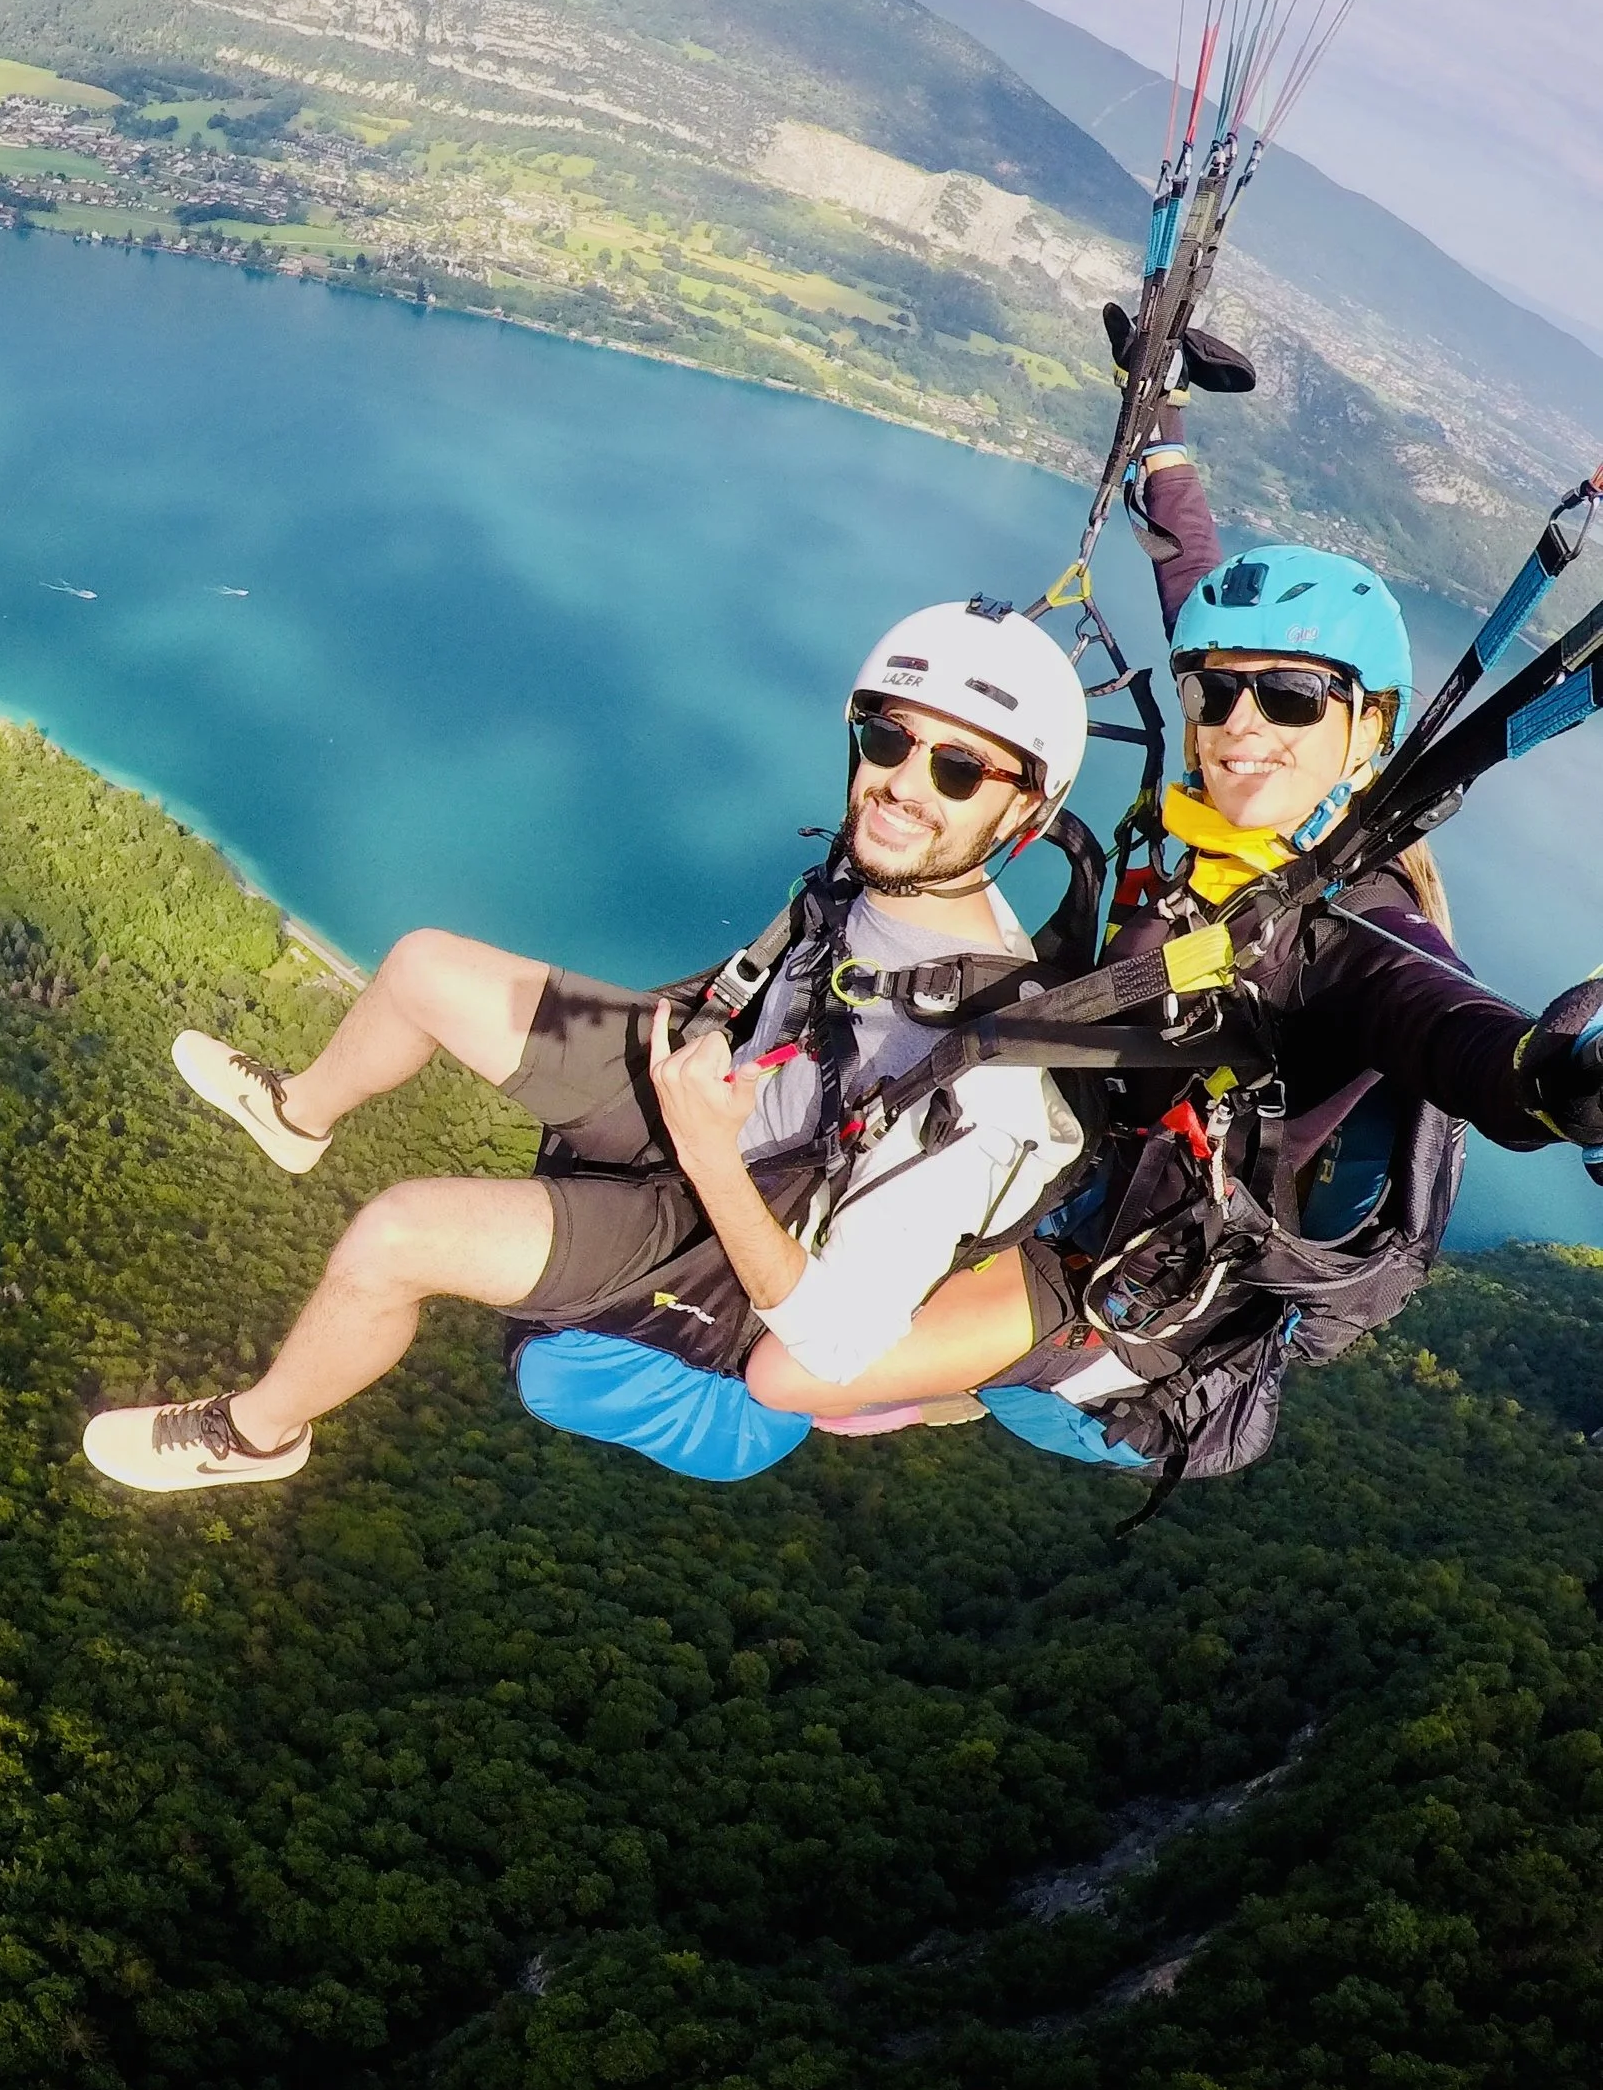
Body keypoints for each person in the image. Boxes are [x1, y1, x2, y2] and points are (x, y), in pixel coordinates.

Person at [756, 338, 1603, 1464]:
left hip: (1143, 1276)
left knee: (806, 1379)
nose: (1239, 725)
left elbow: (1446, 1025)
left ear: (1369, 729)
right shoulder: (1218, 813)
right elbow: (1187, 570)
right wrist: (1160, 424)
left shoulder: (1353, 930)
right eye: (1217, 691)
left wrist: (1550, 1080)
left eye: (1292, 698)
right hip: (1086, 1154)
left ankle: (983, 1386)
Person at [81, 599, 1094, 1492]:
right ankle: (297, 1115)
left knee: (394, 1238)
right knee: (423, 967)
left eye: (958, 766)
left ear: (1022, 808)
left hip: (730, 1231)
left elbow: (834, 1340)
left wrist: (704, 1146)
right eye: (889, 740)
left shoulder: (984, 1081)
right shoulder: (888, 871)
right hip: (714, 1096)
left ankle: (253, 1436)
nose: (904, 783)